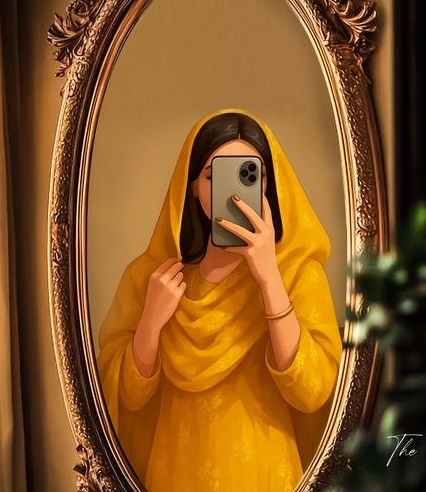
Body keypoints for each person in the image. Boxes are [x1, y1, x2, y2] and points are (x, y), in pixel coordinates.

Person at [97, 108, 342, 491]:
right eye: (215, 176)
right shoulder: (152, 279)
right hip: (174, 477)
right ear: (193, 185)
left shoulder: (296, 274)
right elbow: (124, 399)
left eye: (250, 175)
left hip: (266, 477)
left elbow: (312, 392)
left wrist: (269, 279)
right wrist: (151, 323)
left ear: (268, 186)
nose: (233, 192)